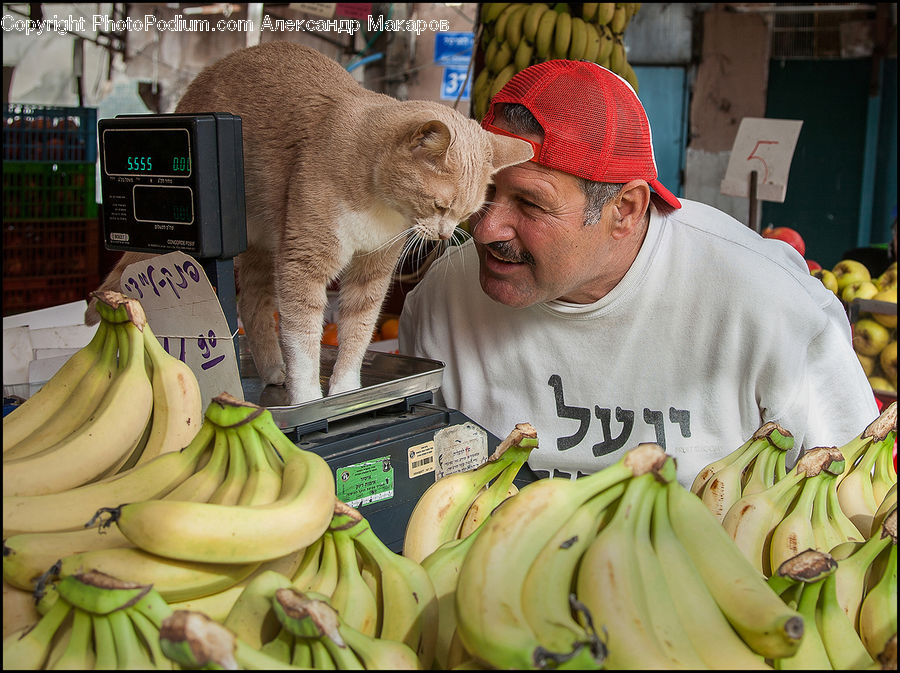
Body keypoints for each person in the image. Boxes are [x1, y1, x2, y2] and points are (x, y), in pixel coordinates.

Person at [398, 59, 879, 488]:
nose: (484, 229)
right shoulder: (442, 299)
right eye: (482, 189)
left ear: (625, 209)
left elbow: (850, 507)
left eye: (530, 203)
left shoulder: (773, 309)